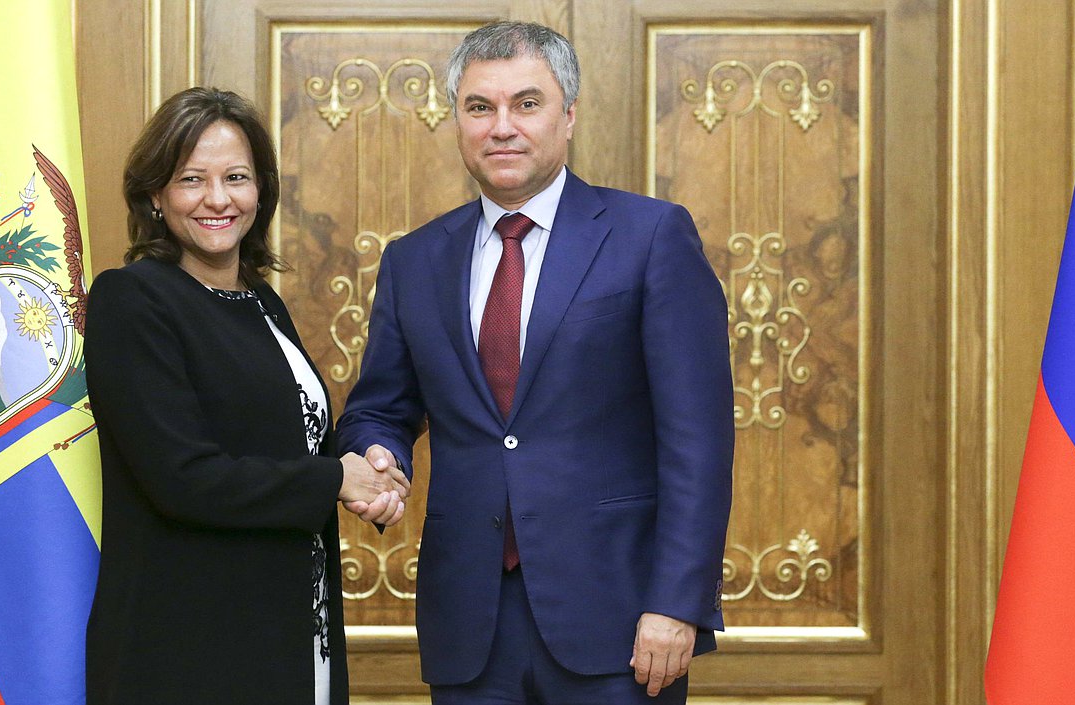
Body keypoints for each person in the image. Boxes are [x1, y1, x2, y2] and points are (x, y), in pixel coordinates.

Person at [337, 21, 734, 705]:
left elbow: (698, 441)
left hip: (619, 619)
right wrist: (377, 453)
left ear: (569, 114)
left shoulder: (650, 237)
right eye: (479, 107)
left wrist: (678, 601)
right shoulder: (415, 259)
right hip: (471, 624)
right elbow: (380, 405)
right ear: (457, 118)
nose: (502, 127)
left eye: (527, 103)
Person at [83, 87, 409, 705]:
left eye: (236, 177)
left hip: (290, 626)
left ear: (260, 191)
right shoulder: (131, 301)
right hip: (190, 645)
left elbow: (293, 438)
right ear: (156, 194)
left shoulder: (261, 301)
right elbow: (182, 476)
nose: (217, 199)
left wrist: (375, 473)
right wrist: (333, 482)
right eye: (191, 179)